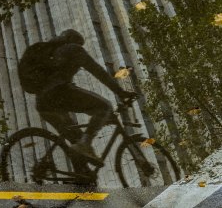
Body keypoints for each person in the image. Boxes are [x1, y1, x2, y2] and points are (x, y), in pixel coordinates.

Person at [18, 29, 136, 166]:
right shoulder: (73, 49)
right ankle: (85, 145)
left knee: (77, 145)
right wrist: (120, 92)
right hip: (58, 93)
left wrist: (100, 119)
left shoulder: (51, 53)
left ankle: (82, 179)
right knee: (105, 107)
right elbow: (98, 71)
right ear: (75, 41)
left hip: (43, 103)